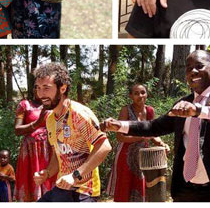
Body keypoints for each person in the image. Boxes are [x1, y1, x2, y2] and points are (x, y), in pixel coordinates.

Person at [101, 50, 210, 202]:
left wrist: (199, 110)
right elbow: (153, 127)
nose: (193, 71)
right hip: (186, 188)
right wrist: (120, 125)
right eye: (188, 68)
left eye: (199, 66)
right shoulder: (182, 103)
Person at [32, 63, 111, 202]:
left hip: (85, 191)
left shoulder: (78, 114)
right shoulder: (50, 119)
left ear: (62, 88)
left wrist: (75, 176)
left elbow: (104, 146)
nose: (41, 94)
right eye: (38, 88)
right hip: (63, 188)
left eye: (46, 88)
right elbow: (58, 155)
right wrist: (47, 173)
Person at [106, 83, 168, 201]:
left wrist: (162, 144)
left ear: (147, 94)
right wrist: (141, 138)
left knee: (142, 187)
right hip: (126, 157)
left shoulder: (150, 111)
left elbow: (153, 132)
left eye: (143, 92)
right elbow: (120, 137)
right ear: (130, 96)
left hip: (144, 158)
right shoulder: (126, 110)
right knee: (125, 189)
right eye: (136, 93)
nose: (140, 95)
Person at [14, 90, 55, 202]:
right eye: (37, 87)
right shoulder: (24, 105)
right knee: (31, 182)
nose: (41, 90)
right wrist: (37, 123)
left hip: (50, 150)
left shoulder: (53, 105)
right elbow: (17, 130)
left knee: (50, 180)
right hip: (31, 151)